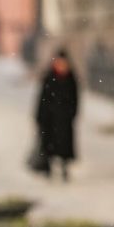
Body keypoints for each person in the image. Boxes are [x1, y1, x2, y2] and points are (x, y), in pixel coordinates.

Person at [34, 48, 79, 181]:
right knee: (48, 144)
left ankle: (65, 169)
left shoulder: (70, 77)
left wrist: (73, 113)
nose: (61, 65)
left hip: (64, 118)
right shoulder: (49, 77)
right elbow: (42, 98)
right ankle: (48, 168)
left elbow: (75, 98)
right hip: (49, 118)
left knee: (64, 146)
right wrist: (39, 116)